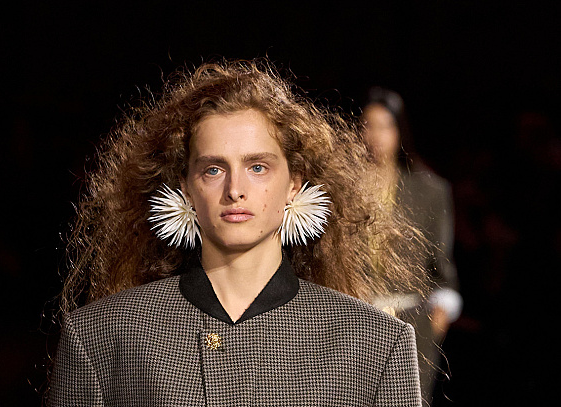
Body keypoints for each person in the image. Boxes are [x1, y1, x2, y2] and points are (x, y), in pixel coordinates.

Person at [47, 60, 430, 406]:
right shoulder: (101, 336)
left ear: (294, 183)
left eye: (257, 167)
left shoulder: (376, 343)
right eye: (213, 169)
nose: (235, 190)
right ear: (186, 187)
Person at [362, 86, 463, 403]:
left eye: (385, 126)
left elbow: (442, 262)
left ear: (399, 131)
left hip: (412, 323)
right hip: (356, 320)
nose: (376, 135)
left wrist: (438, 316)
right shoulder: (343, 187)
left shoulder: (428, 190)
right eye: (368, 125)